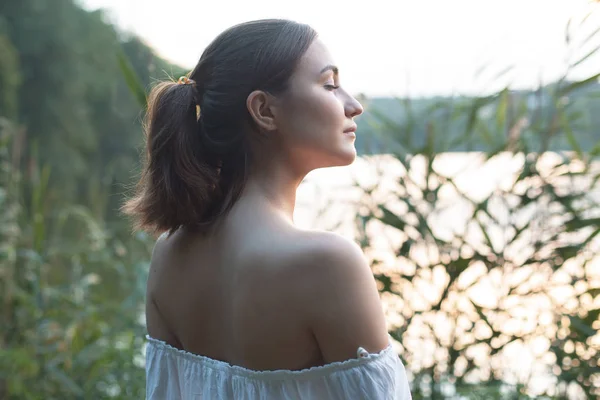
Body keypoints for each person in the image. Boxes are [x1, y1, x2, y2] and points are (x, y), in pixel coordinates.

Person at [124, 18, 412, 400]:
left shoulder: (169, 255)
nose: (354, 106)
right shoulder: (327, 264)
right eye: (329, 84)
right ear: (264, 110)